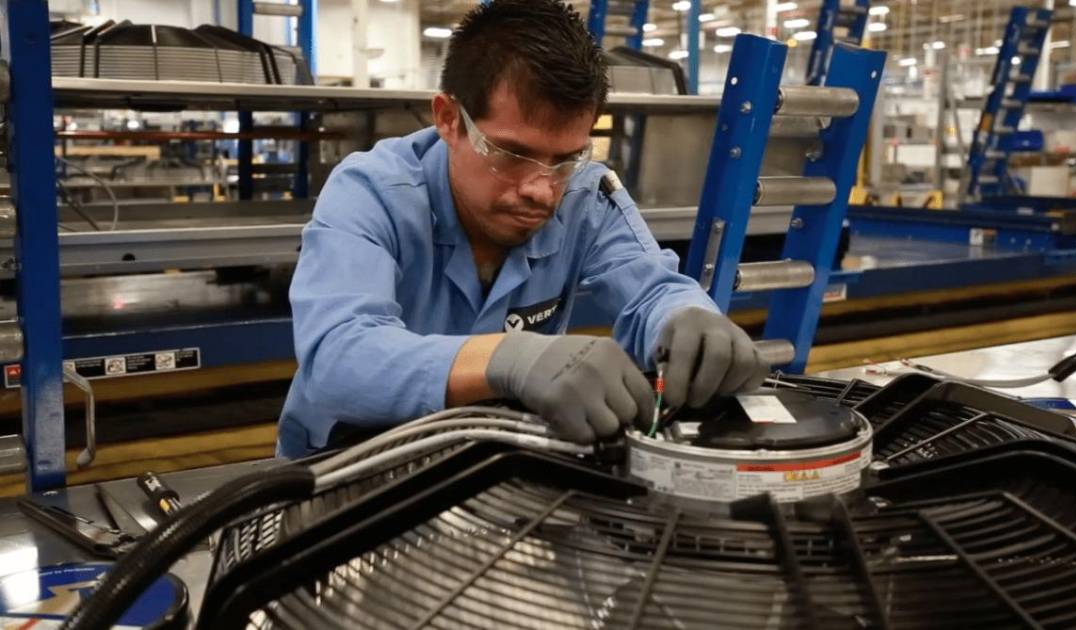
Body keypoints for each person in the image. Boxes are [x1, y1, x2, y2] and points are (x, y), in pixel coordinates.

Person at [276, 0, 768, 459]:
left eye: (565, 158)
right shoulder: (371, 192)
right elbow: (339, 357)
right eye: (512, 154)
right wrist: (510, 359)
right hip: (347, 465)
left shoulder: (585, 195)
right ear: (449, 120)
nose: (541, 189)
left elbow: (650, 290)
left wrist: (687, 319)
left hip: (496, 464)